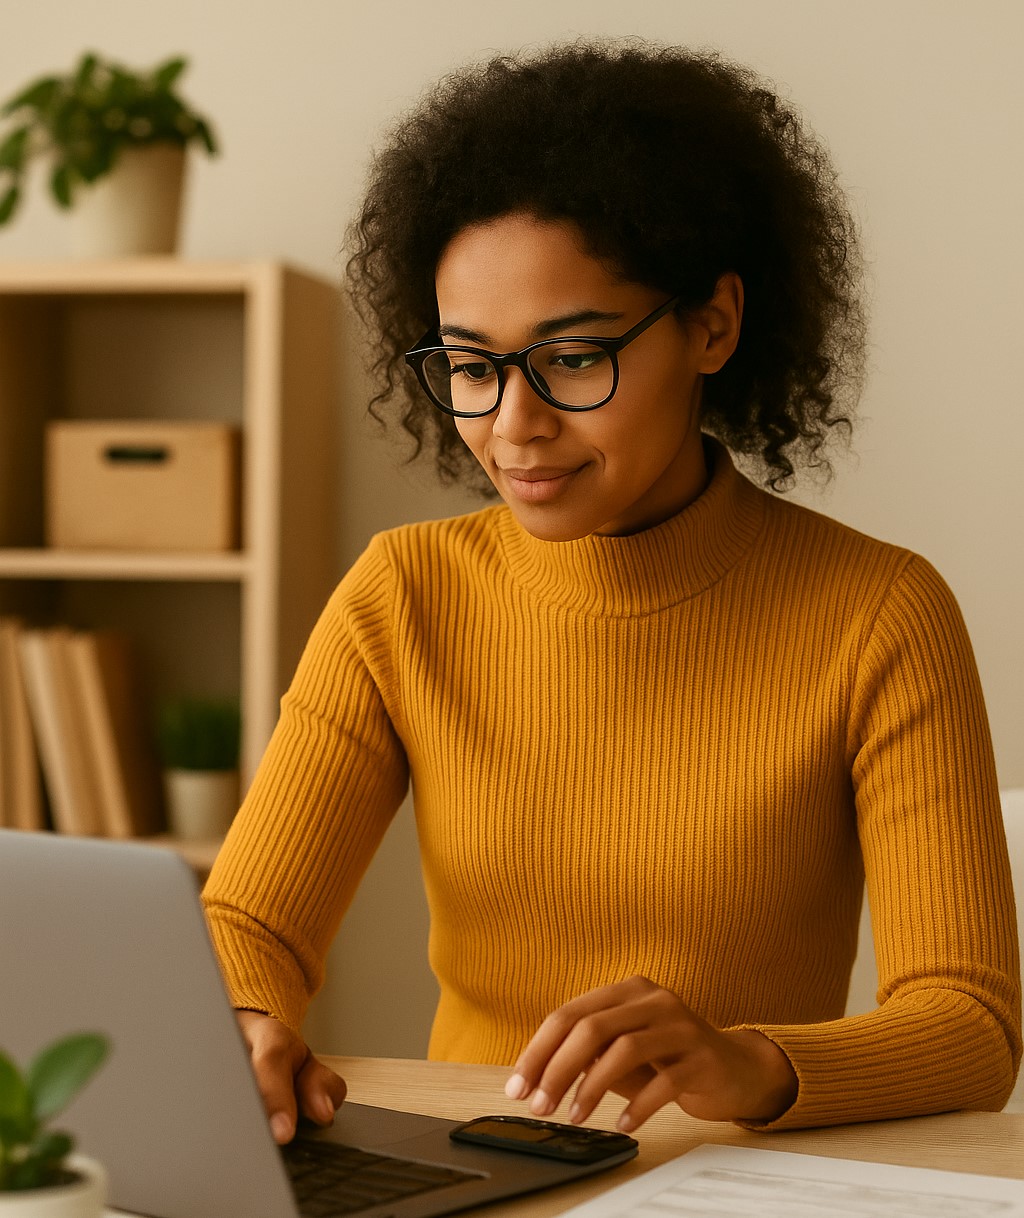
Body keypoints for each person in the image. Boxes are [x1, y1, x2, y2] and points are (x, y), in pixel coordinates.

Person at [201, 39, 1021, 1145]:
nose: (511, 424)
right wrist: (247, 1021)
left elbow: (969, 1025)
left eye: (573, 357)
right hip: (473, 1168)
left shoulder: (877, 612)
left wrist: (748, 1063)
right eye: (470, 366)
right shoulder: (404, 594)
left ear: (712, 325)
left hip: (734, 1186)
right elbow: (249, 920)